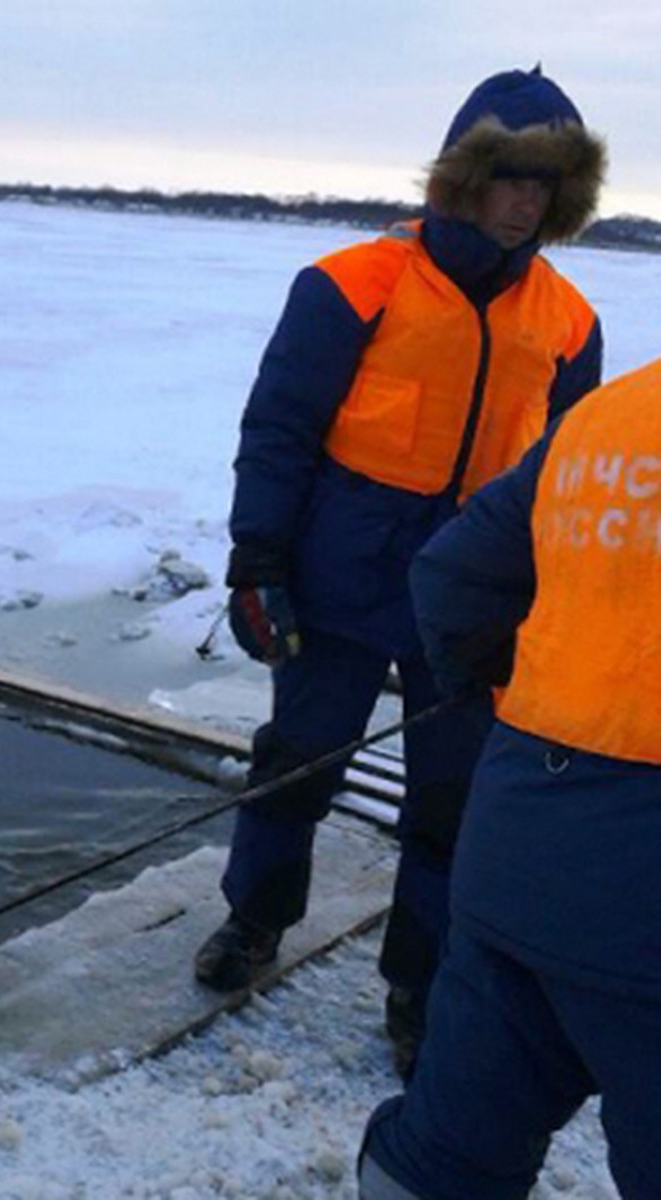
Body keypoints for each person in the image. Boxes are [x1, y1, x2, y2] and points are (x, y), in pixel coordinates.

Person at [196, 67, 606, 1073]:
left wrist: (548, 599)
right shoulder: (351, 285)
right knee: (298, 762)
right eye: (510, 175)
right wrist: (257, 560)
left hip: (474, 598)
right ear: (464, 176)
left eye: (545, 185)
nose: (525, 201)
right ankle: (255, 917)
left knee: (456, 801)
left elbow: (565, 482)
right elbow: (281, 429)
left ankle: (419, 983)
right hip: (342, 573)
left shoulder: (571, 321)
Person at [358, 355, 661, 1199]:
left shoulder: (611, 415)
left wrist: (516, 692)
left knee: (447, 1151)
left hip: (519, 854)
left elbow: (454, 578)